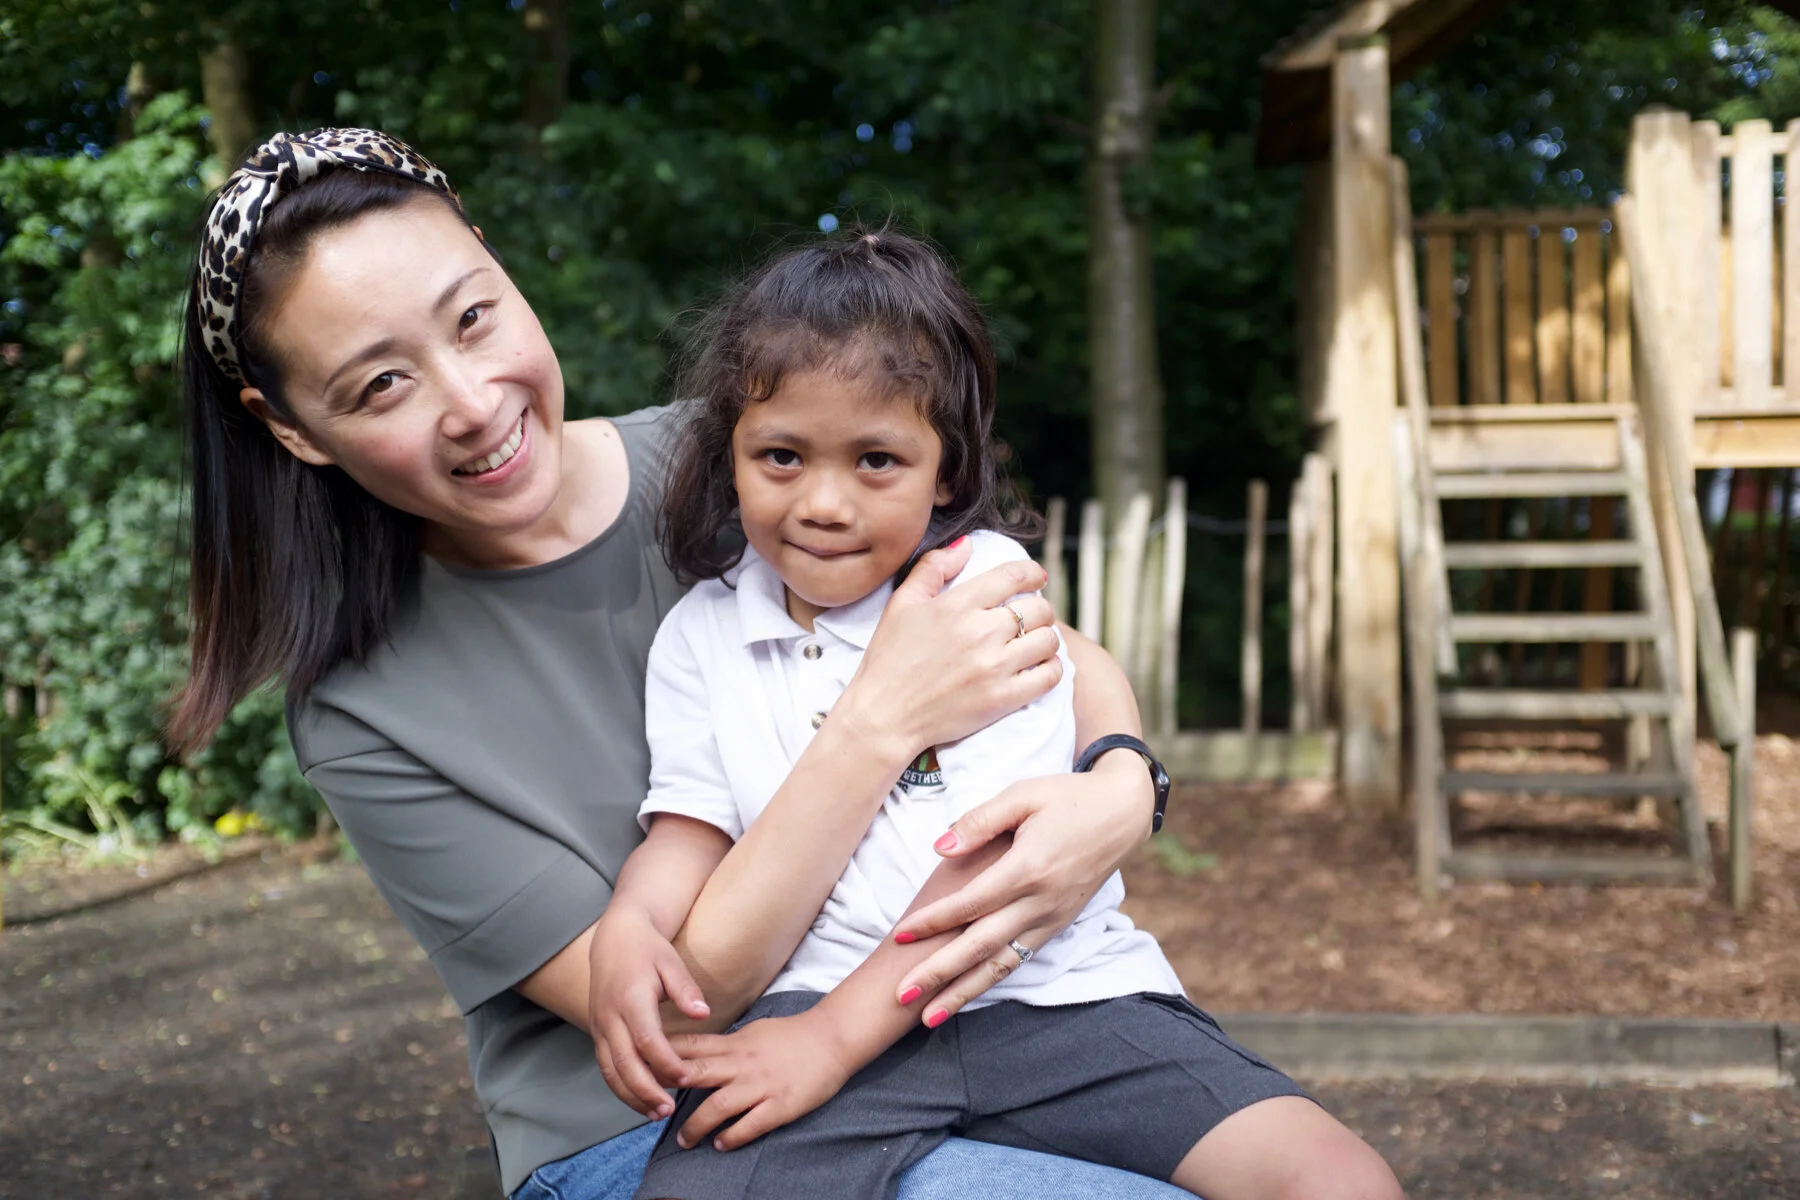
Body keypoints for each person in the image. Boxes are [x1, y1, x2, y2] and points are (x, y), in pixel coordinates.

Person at [172, 127, 1207, 1199]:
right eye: (382, 383)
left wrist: (1125, 787)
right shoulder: (361, 708)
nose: (472, 403)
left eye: (472, 317)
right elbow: (674, 1011)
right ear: (290, 428)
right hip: (651, 1123)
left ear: (494, 258)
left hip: (933, 1034)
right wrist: (877, 726)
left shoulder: (741, 457)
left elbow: (1034, 643)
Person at [593, 231, 1403, 1200]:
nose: (823, 502)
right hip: (813, 1004)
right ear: (730, 452)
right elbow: (690, 828)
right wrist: (632, 925)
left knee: (1338, 1179)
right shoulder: (701, 633)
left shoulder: (980, 593)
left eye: (876, 459)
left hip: (1056, 998)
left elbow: (994, 857)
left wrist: (829, 1042)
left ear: (946, 470)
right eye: (781, 456)